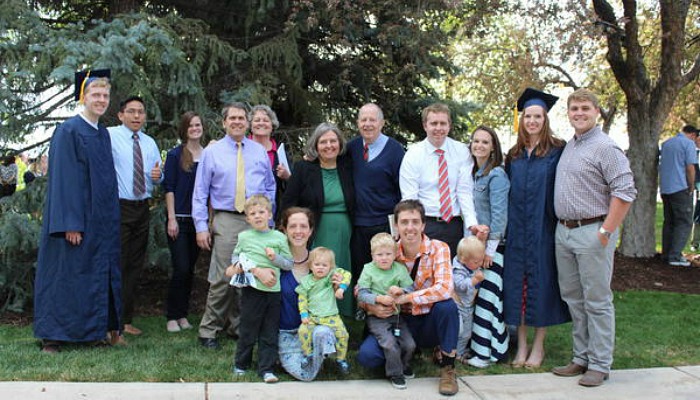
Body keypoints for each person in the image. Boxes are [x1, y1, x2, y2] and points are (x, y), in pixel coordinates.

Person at [34, 69, 122, 352]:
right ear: (83, 97)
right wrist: (70, 223)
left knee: (93, 275)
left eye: (105, 95)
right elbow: (63, 180)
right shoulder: (69, 130)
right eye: (95, 94)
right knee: (66, 276)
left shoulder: (102, 133)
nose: (101, 99)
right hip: (75, 221)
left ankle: (91, 333)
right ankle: (54, 336)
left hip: (100, 223)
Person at [553, 88, 636, 387]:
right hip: (564, 232)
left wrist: (605, 232)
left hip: (592, 231)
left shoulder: (605, 147)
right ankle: (581, 357)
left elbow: (625, 192)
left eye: (585, 108)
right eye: (574, 108)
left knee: (597, 300)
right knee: (574, 298)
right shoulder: (570, 146)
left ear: (596, 112)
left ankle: (600, 364)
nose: (579, 113)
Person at [193, 102, 275, 350]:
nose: (237, 122)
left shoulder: (259, 151)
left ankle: (238, 327)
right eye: (233, 118)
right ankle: (209, 331)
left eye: (242, 118)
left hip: (255, 220)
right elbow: (200, 192)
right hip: (226, 218)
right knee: (222, 276)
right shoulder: (212, 152)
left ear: (248, 122)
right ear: (224, 122)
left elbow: (270, 186)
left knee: (250, 277)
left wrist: (268, 218)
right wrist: (201, 226)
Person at [357, 199, 461, 396]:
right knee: (367, 357)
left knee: (447, 306)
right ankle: (405, 356)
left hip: (429, 319)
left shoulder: (439, 248)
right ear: (396, 225)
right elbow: (360, 288)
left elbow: (445, 288)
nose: (410, 227)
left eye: (415, 222)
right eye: (404, 222)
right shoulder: (388, 251)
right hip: (397, 320)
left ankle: (448, 367)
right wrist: (372, 306)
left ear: (423, 225)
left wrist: (407, 297)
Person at [504, 89, 571, 369]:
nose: (532, 121)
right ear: (521, 120)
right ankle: (521, 346)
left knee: (542, 285)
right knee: (517, 287)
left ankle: (539, 346)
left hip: (545, 229)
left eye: (537, 116)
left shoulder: (558, 150)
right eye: (528, 116)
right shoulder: (513, 155)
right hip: (517, 231)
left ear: (545, 119)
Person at [281, 122, 355, 317]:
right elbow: (288, 201)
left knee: (340, 271)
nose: (329, 145)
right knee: (318, 271)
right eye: (323, 141)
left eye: (333, 141)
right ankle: (313, 317)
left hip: (344, 230)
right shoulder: (304, 168)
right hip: (316, 230)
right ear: (315, 145)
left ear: (340, 144)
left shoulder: (348, 165)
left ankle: (340, 320)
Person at [108, 96, 163, 337]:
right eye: (131, 111)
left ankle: (126, 320)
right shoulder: (109, 136)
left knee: (134, 266)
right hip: (118, 207)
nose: (136, 116)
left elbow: (157, 178)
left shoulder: (150, 143)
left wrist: (157, 176)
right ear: (121, 115)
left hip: (142, 208)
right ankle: (112, 323)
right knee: (117, 264)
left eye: (140, 112)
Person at [224, 195, 293, 383]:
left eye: (261, 212)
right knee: (247, 328)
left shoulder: (279, 237)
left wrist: (274, 259)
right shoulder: (244, 237)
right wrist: (243, 266)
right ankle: (241, 364)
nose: (257, 216)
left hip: (272, 292)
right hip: (251, 290)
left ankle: (266, 369)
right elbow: (235, 258)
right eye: (252, 213)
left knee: (269, 331)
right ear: (247, 219)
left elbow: (288, 264)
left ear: (269, 214)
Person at [399, 103, 478, 257]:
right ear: (425, 126)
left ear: (449, 126)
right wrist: (412, 228)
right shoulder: (413, 155)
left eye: (443, 123)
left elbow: (464, 192)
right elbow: (410, 198)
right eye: (433, 123)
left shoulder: (462, 151)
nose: (438, 128)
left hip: (453, 224)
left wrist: (472, 225)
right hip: (426, 224)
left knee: (453, 275)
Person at [347, 103, 405, 301]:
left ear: (382, 123)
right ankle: (363, 311)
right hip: (358, 224)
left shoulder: (395, 150)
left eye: (372, 120)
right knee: (361, 272)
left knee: (385, 272)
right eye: (363, 120)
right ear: (358, 123)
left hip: (384, 223)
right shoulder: (352, 148)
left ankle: (388, 312)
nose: (368, 124)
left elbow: (402, 190)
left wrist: (399, 224)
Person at [466, 126, 510, 368]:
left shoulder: (496, 176)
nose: (479, 145)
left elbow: (499, 216)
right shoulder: (476, 173)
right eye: (476, 141)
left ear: (494, 146)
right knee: (480, 297)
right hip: (476, 247)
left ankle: (487, 354)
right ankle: (486, 348)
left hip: (492, 250)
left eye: (485, 142)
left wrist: (489, 252)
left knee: (488, 300)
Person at [277, 207, 339, 381]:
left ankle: (319, 352)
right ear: (284, 229)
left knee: (322, 334)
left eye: (303, 226)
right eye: (293, 226)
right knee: (304, 375)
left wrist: (336, 286)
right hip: (286, 332)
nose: (298, 231)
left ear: (311, 230)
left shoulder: (321, 262)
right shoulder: (276, 261)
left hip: (316, 328)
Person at [356, 232, 416, 390]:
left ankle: (404, 365)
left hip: (396, 316)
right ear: (372, 255)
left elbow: (411, 287)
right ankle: (395, 373)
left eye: (388, 254)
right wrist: (378, 299)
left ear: (395, 254)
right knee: (389, 343)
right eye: (379, 254)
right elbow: (362, 293)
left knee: (409, 344)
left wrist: (401, 290)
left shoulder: (399, 269)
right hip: (376, 318)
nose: (384, 258)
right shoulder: (368, 270)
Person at [162, 111, 204, 332]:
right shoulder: (175, 155)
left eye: (198, 125)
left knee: (190, 270)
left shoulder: (208, 155)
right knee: (180, 267)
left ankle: (183, 315)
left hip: (198, 223)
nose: (195, 128)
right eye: (191, 125)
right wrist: (171, 218)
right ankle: (172, 315)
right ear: (184, 129)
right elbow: (168, 188)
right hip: (178, 220)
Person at [295, 247, 352, 374]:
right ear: (310, 266)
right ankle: (308, 355)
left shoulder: (330, 277)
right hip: (313, 317)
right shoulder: (306, 282)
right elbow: (302, 299)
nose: (320, 268)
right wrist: (304, 315)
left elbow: (347, 274)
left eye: (324, 265)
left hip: (331, 316)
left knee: (343, 335)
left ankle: (340, 359)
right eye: (317, 264)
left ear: (331, 267)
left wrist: (341, 288)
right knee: (303, 331)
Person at [659, 124, 699, 266]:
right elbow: (690, 167)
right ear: (693, 135)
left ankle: (666, 254)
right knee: (684, 222)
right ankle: (675, 257)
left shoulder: (667, 144)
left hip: (665, 188)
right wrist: (692, 186)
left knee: (669, 222)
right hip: (681, 188)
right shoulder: (688, 144)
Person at [249, 105, 291, 214]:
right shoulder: (239, 148)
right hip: (240, 213)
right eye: (257, 120)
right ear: (250, 125)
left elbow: (293, 188)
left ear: (272, 125)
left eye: (266, 120)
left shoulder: (280, 154)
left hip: (270, 214)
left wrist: (287, 177)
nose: (261, 123)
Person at [452, 236, 485, 362]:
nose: (479, 264)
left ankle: (459, 354)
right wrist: (474, 280)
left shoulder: (474, 267)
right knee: (457, 330)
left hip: (468, 306)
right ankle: (448, 350)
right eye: (476, 262)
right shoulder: (457, 270)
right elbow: (460, 285)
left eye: (480, 260)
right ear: (463, 259)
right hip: (457, 305)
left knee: (467, 334)